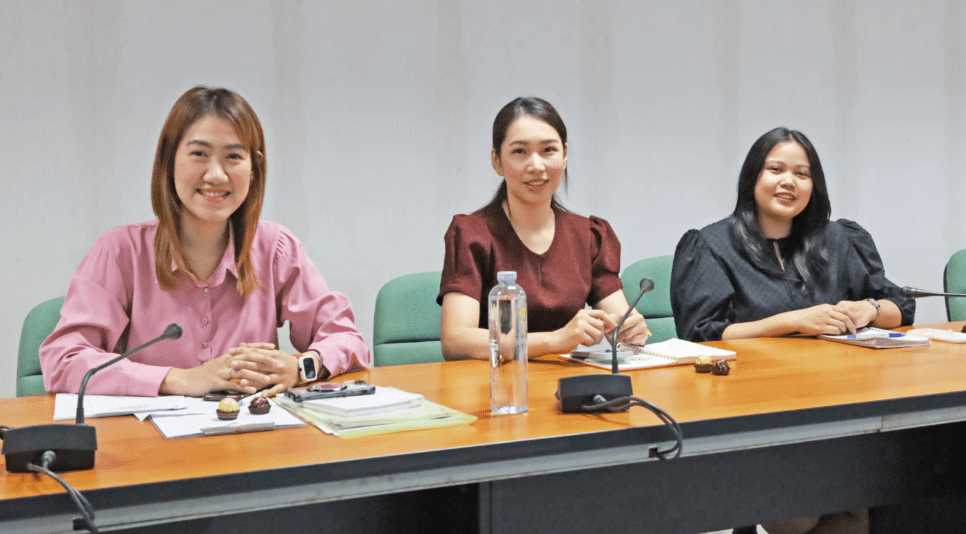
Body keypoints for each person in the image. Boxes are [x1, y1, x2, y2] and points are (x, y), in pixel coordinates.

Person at [40, 87, 370, 398]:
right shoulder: (119, 252)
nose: (216, 175)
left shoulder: (275, 248)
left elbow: (347, 339)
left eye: (233, 157)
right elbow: (64, 359)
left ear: (253, 169)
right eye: (199, 154)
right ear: (169, 162)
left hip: (253, 433)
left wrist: (301, 367)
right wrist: (180, 380)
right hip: (150, 437)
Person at [671, 127, 915, 534]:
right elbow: (701, 336)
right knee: (801, 516)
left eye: (802, 174)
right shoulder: (711, 245)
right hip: (756, 410)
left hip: (837, 404)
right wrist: (795, 321)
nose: (789, 182)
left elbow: (900, 308)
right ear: (752, 177)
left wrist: (868, 309)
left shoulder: (839, 239)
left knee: (862, 508)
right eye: (776, 170)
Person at [438, 97, 649, 360]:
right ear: (497, 161)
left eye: (549, 150)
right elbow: (456, 340)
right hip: (496, 382)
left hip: (564, 380)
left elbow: (620, 322)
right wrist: (555, 340)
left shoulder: (589, 235)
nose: (537, 166)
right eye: (520, 151)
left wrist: (630, 332)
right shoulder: (473, 234)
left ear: (565, 155)